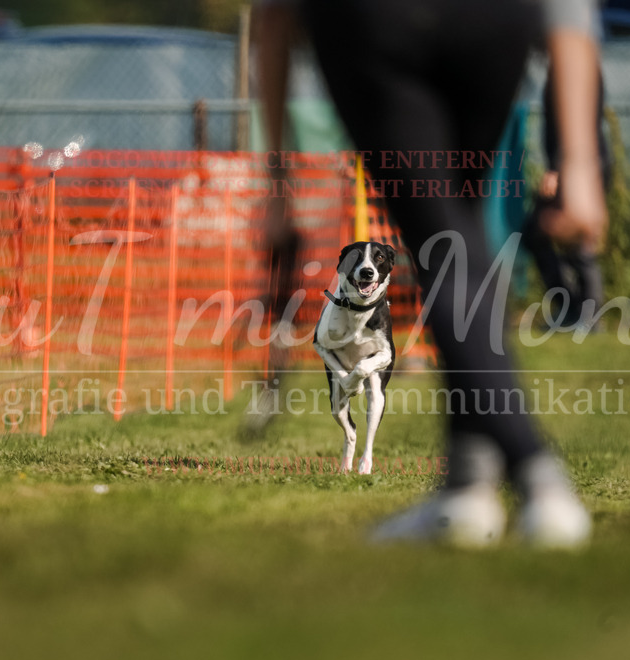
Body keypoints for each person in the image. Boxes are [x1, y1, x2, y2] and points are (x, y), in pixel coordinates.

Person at [256, 0, 607, 548]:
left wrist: (275, 179)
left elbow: (273, 11)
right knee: (459, 236)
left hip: (380, 23)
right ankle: (468, 486)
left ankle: (537, 474)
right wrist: (581, 162)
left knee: (443, 246)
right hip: (493, 23)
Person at [522, 65, 611, 332]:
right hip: (568, 165)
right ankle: (570, 309)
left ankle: (590, 317)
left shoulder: (577, 66)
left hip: (581, 166)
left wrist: (559, 169)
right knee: (535, 232)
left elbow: (582, 122)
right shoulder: (558, 66)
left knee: (577, 239)